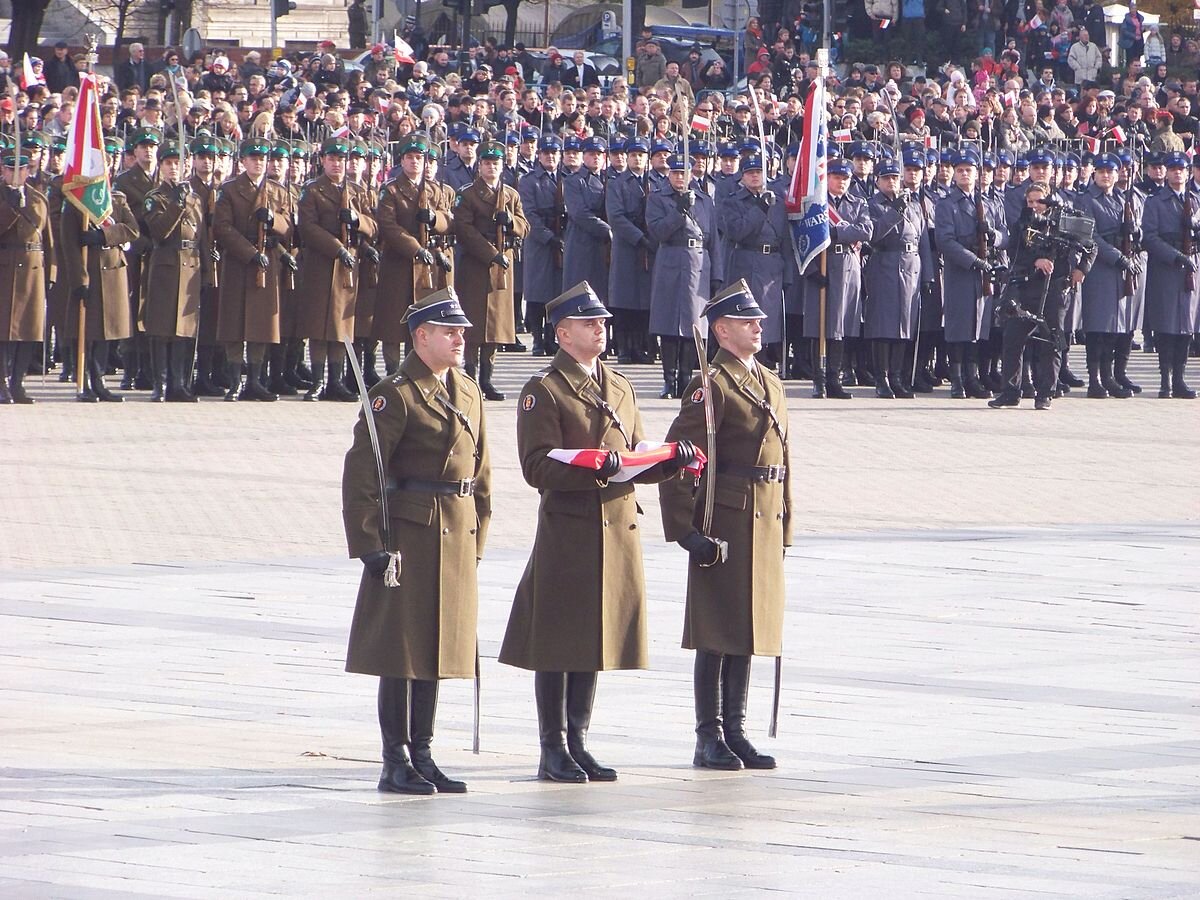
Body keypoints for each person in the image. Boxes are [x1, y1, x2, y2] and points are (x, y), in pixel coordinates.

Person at [499, 281, 694, 783]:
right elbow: (536, 467)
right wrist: (597, 468)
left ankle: (579, 740)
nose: (600, 330)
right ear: (563, 334)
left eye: (602, 322)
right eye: (589, 324)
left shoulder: (621, 386)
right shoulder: (544, 390)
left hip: (616, 527)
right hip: (571, 529)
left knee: (593, 639)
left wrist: (669, 462)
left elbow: (633, 456)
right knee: (559, 638)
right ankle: (552, 746)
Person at [342, 288, 491, 794]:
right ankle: (395, 758)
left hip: (455, 535)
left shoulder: (468, 391)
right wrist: (368, 545)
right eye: (450, 331)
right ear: (421, 336)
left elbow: (482, 474)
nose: (460, 338)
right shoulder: (397, 393)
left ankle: (423, 752)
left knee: (438, 648)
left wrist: (477, 539)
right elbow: (363, 471)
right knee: (402, 652)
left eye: (462, 331)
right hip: (411, 534)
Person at [658, 280, 790, 771]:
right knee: (717, 630)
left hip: (766, 515)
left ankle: (736, 729)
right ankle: (708, 734)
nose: (759, 326)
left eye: (758, 319)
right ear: (722, 330)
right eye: (747, 321)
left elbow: (785, 461)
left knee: (749, 628)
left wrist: (787, 524)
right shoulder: (710, 385)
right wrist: (685, 530)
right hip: (727, 518)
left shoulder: (770, 381)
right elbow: (679, 458)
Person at [988, 182, 1095, 409]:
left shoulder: (1065, 221)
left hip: (1055, 288)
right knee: (1013, 338)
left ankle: (1045, 392)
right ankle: (1010, 391)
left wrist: (1081, 270)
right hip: (1027, 287)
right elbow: (1014, 255)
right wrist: (1035, 261)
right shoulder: (1022, 224)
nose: (1034, 206)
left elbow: (1091, 246)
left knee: (1051, 340)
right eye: (1030, 201)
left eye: (1039, 201)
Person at [213, 136, 295, 402]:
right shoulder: (230, 190)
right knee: (235, 323)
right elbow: (222, 228)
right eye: (253, 158)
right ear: (243, 161)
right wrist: (249, 253)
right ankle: (235, 381)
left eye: (262, 159)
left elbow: (289, 226)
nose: (258, 163)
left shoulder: (277, 190)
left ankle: (256, 381)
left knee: (261, 324)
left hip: (267, 261)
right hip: (240, 261)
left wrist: (274, 222)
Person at [296, 135, 377, 401]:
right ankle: (318, 381)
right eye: (332, 159)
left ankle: (336, 381)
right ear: (322, 161)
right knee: (320, 325)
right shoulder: (312, 190)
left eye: (342, 159)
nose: (337, 164)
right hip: (322, 264)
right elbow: (307, 227)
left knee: (342, 326)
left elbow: (373, 227)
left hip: (348, 267)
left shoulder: (356, 190)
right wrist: (336, 248)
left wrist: (357, 220)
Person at [453, 139, 530, 400]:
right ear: (479, 166)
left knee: (496, 326)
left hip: (502, 266)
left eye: (495, 163)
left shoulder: (510, 194)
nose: (491, 168)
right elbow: (464, 229)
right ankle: (470, 374)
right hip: (477, 264)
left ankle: (487, 379)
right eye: (486, 163)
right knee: (474, 325)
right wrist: (491, 254)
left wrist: (512, 223)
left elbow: (524, 224)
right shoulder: (468, 193)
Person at [375, 134, 455, 374]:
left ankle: (418, 370)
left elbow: (450, 220)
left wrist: (435, 219)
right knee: (392, 326)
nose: (414, 162)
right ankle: (392, 371)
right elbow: (388, 225)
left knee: (423, 324)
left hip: (428, 269)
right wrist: (415, 249)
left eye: (419, 158)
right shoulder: (390, 190)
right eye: (409, 157)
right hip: (398, 264)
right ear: (402, 161)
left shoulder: (435, 190)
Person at [648, 152, 722, 399]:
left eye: (684, 173)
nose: (680, 177)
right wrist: (678, 212)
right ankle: (669, 380)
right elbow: (657, 232)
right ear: (669, 173)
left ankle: (687, 379)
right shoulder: (658, 198)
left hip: (699, 262)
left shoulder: (704, 200)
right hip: (671, 259)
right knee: (668, 324)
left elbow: (714, 241)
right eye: (676, 172)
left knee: (694, 326)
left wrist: (717, 275)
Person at [141, 139, 208, 402]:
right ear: (161, 167)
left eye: (178, 163)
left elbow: (203, 236)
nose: (173, 168)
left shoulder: (196, 198)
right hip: (166, 265)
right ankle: (160, 384)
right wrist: (176, 204)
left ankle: (179, 384)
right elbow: (159, 232)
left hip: (191, 264)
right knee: (161, 327)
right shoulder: (154, 197)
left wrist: (207, 272)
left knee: (184, 329)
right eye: (168, 163)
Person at [1075, 153, 1142, 399]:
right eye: (1101, 172)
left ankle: (1108, 376)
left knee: (1114, 327)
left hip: (1119, 270)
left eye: (1110, 172)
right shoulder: (1087, 200)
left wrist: (1135, 231)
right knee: (1097, 327)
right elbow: (1090, 236)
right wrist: (1117, 256)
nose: (1106, 176)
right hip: (1099, 267)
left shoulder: (1121, 199)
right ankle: (1095, 380)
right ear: (1094, 174)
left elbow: (1137, 230)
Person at [804, 157, 871, 399]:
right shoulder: (816, 205)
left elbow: (866, 231)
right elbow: (805, 235)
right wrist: (812, 270)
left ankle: (835, 378)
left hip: (848, 266)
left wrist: (833, 231)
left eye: (845, 178)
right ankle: (818, 379)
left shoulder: (858, 203)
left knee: (841, 325)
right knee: (820, 324)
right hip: (822, 264)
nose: (841, 182)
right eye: (836, 177)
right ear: (827, 178)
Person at [1142, 151, 1200, 398]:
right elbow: (1150, 237)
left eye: (1182, 169)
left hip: (1191, 269)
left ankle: (1179, 379)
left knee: (1186, 326)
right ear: (1166, 172)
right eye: (1173, 169)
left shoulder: (1195, 201)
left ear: (1188, 173)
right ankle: (1165, 381)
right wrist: (1175, 256)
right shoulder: (1154, 202)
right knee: (1166, 326)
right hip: (1167, 268)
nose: (1178, 173)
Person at [0, 145, 54, 405]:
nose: (16, 174)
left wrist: (52, 273)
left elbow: (48, 239)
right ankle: (1, 384)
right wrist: (10, 207)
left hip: (33, 267)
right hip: (5, 265)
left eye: (20, 169)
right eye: (11, 169)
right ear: (3, 169)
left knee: (28, 331)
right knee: (3, 331)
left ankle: (18, 383)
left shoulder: (37, 197)